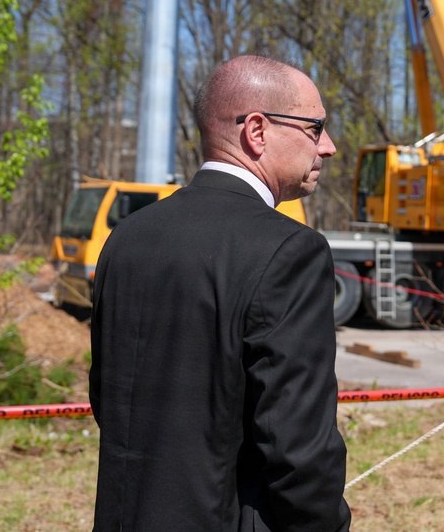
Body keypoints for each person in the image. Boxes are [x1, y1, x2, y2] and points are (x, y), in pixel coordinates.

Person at [90, 55, 352, 531]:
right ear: (257, 131)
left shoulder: (125, 238)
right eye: (316, 128)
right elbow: (299, 452)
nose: (328, 147)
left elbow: (108, 401)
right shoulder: (290, 251)